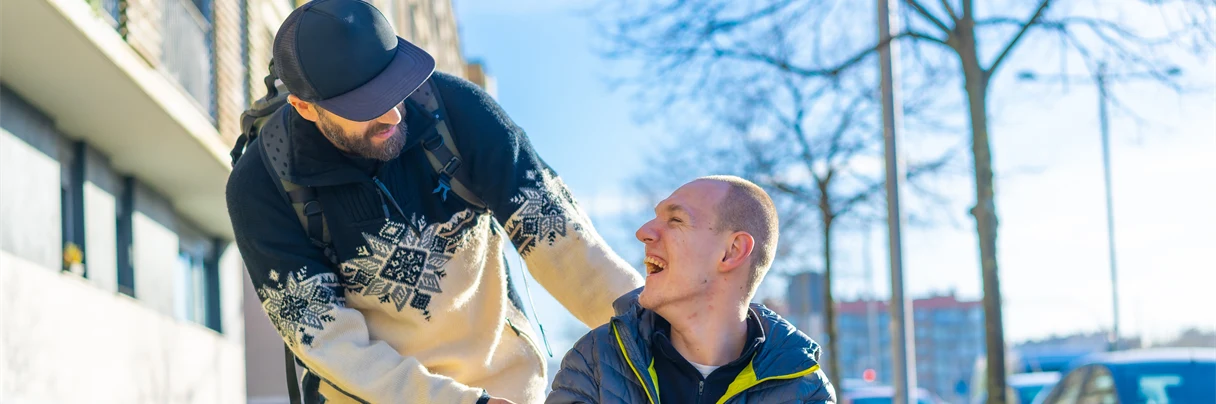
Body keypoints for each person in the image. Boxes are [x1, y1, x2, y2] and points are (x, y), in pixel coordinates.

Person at [224, 0, 643, 403]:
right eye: (365, 105)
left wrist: (652, 333)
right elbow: (329, 343)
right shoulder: (261, 186)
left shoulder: (458, 110)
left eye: (394, 87)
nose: (393, 115)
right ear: (305, 107)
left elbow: (567, 247)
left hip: (505, 387)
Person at [546, 176, 837, 403]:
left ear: (732, 251)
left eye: (675, 220)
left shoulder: (806, 392)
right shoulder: (595, 359)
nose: (644, 232)